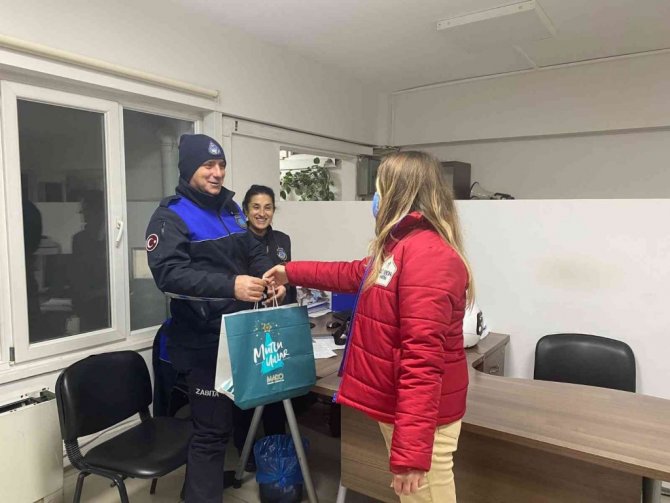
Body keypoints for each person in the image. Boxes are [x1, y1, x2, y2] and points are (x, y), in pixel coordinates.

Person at [264, 151, 473, 503]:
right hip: (403, 409)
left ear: (399, 193)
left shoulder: (428, 256)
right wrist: (290, 271)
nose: (375, 199)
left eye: (379, 188)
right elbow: (352, 273)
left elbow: (422, 361)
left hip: (425, 422)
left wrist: (411, 455)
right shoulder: (401, 247)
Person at [145, 134, 283, 503]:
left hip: (238, 333)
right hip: (203, 341)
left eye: (221, 165)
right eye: (208, 165)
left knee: (228, 422)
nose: (217, 172)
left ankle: (197, 488)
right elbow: (169, 276)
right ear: (189, 168)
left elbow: (254, 250)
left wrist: (270, 276)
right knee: (210, 431)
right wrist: (231, 286)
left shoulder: (230, 209)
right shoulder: (170, 216)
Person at [232, 185, 295, 471]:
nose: (262, 213)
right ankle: (244, 448)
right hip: (246, 324)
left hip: (275, 325)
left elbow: (288, 280)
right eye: (255, 207)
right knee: (248, 388)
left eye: (267, 207)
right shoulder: (234, 239)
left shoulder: (282, 240)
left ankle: (276, 445)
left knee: (275, 386)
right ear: (246, 210)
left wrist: (283, 290)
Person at [71, 190, 109, 332]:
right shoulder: (79, 240)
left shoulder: (112, 240)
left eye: (86, 210)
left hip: (109, 308)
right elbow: (78, 276)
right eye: (83, 211)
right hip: (87, 308)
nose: (84, 215)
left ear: (99, 211)